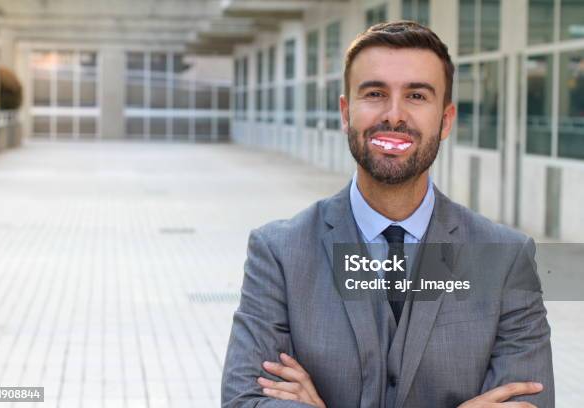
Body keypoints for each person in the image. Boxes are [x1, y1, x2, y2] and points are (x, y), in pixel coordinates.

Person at [221, 21, 554, 408]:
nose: (394, 116)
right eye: (375, 93)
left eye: (416, 95)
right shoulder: (278, 253)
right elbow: (246, 402)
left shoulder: (506, 259)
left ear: (445, 120)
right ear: (346, 113)